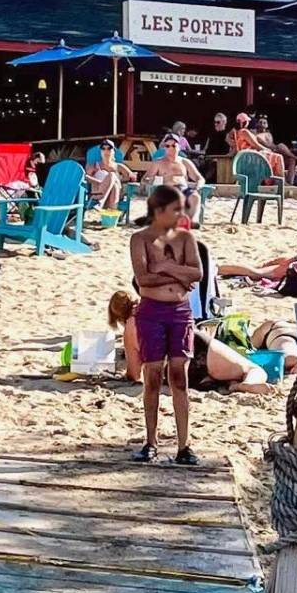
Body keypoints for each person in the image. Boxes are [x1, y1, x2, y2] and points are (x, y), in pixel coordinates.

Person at [128, 186, 200, 464]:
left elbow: (198, 272)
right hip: (151, 311)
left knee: (179, 375)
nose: (182, 214)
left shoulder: (186, 238)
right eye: (176, 209)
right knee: (153, 377)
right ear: (159, 211)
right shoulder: (140, 239)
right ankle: (151, 441)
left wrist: (168, 268)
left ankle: (184, 445)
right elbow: (143, 278)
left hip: (180, 311)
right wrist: (179, 277)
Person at [109, 290, 273, 394]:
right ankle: (244, 385)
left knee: (219, 377)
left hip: (178, 373)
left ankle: (226, 382)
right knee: (253, 369)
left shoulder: (129, 330)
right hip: (195, 345)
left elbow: (134, 374)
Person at [143, 134, 204, 220]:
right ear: (164, 148)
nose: (171, 148)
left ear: (179, 147)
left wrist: (198, 186)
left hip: (183, 189)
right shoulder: (158, 163)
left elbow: (199, 178)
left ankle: (191, 221)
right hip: (167, 190)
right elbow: (145, 179)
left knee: (195, 196)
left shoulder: (185, 162)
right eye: (167, 146)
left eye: (174, 146)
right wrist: (150, 181)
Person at [86, 139, 135, 212]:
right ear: (101, 152)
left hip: (116, 195)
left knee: (113, 179)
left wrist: (114, 181)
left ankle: (101, 204)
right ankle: (111, 215)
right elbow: (85, 177)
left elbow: (132, 177)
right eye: (103, 149)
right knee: (113, 178)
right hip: (98, 193)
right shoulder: (94, 166)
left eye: (109, 149)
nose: (106, 151)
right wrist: (101, 182)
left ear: (113, 152)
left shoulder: (118, 166)